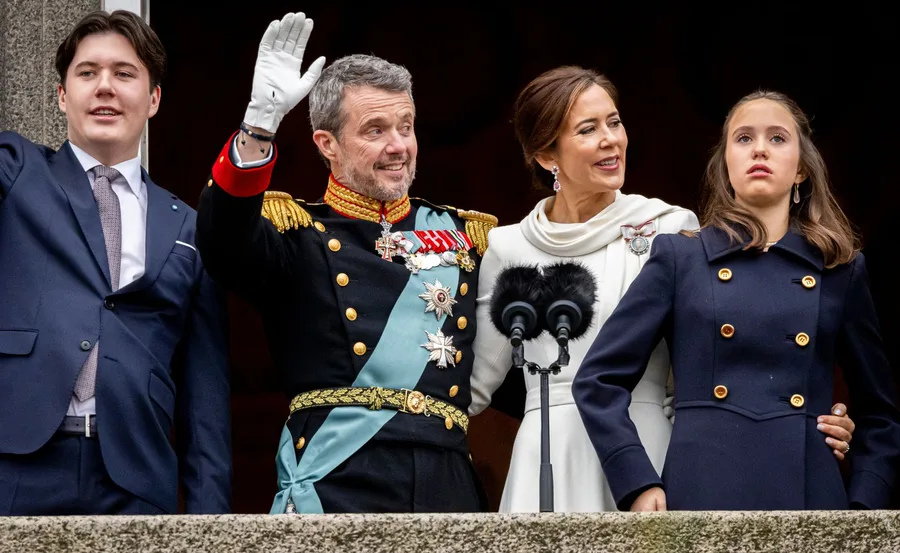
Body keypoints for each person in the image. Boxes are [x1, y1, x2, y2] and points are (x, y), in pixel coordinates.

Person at [469, 67, 857, 512]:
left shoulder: (671, 229)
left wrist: (807, 419)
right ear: (545, 156)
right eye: (588, 129)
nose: (611, 139)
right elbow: (479, 384)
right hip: (551, 450)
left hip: (646, 448)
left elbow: (714, 363)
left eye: (614, 122)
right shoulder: (505, 245)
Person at [196, 13, 495, 513]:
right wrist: (259, 125)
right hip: (340, 481)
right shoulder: (297, 235)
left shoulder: (468, 236)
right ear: (326, 144)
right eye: (375, 130)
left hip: (447, 482)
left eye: (406, 127)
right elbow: (222, 238)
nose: (398, 146)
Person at [573, 90, 900, 511]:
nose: (760, 148)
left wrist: (863, 510)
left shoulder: (840, 269)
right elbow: (597, 381)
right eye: (743, 138)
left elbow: (879, 414)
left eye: (778, 138)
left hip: (810, 493)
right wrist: (636, 481)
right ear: (725, 163)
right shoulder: (680, 257)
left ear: (801, 168)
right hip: (703, 484)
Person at [0, 10, 231, 515]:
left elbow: (204, 397)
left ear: (153, 100)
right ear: (62, 95)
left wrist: (210, 526)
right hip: (14, 464)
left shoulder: (189, 227)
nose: (104, 87)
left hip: (135, 479)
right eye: (87, 73)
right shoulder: (16, 173)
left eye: (124, 74)